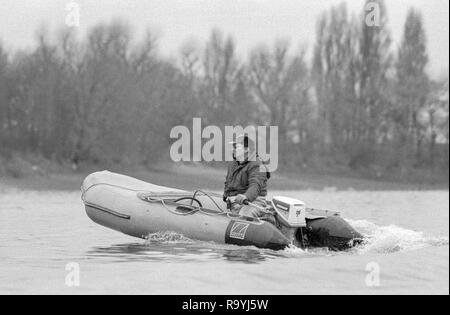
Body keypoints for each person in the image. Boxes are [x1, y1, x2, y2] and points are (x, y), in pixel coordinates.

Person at [223, 135, 270, 218]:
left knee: (244, 216)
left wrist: (246, 197)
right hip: (234, 201)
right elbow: (227, 183)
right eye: (232, 146)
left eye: (235, 146)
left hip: (254, 202)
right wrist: (226, 195)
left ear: (246, 149)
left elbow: (255, 185)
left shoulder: (257, 165)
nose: (232, 149)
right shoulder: (232, 164)